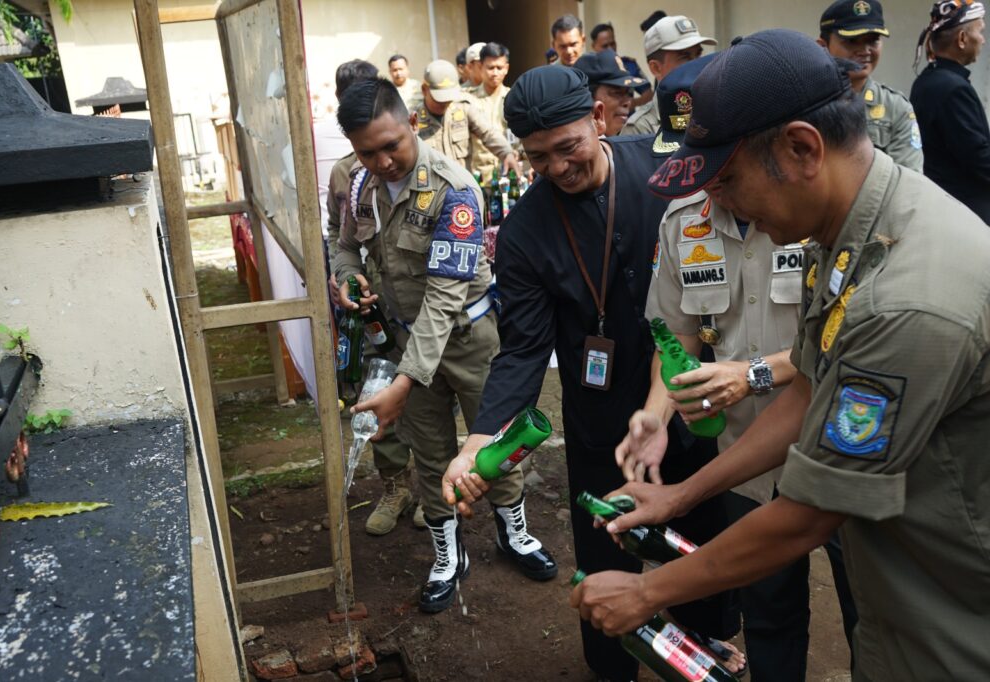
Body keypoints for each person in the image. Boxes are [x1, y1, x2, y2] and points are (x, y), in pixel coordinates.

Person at [572, 29, 990, 681]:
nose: (720, 204)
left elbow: (806, 515)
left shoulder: (903, 297)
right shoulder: (852, 230)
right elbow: (809, 391)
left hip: (948, 615)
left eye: (728, 181)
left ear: (801, 148)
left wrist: (648, 592)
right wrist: (681, 495)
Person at [441, 66, 740, 682]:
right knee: (606, 542)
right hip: (599, 411)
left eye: (568, 147)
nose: (556, 168)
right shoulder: (524, 232)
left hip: (687, 390)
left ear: (599, 119)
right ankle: (611, 664)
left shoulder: (664, 171)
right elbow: (523, 350)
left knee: (701, 526)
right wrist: (478, 441)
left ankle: (706, 638)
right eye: (538, 157)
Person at [637, 52, 859, 682]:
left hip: (831, 443)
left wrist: (752, 373)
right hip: (743, 456)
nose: (707, 186)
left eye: (720, 171)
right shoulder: (684, 220)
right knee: (768, 610)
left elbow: (843, 345)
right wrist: (655, 416)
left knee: (864, 606)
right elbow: (675, 334)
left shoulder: (821, 214)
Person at [333, 78, 556, 613]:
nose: (383, 161)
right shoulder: (360, 187)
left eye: (392, 145)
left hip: (468, 340)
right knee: (430, 453)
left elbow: (443, 298)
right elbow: (343, 247)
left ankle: (513, 533)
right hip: (405, 341)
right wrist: (346, 278)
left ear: (412, 123)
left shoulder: (453, 189)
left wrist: (404, 381)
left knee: (495, 445)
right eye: (367, 152)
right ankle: (448, 554)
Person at [323, 61, 425, 535]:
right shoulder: (347, 174)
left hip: (423, 311)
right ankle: (395, 486)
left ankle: (434, 489)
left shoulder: (416, 160)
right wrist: (345, 276)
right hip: (375, 313)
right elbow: (338, 235)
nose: (380, 159)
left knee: (430, 402)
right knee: (376, 394)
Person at [817, 0, 923, 171]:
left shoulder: (895, 108)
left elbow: (909, 178)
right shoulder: (805, 101)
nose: (865, 51)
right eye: (852, 41)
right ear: (823, 47)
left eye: (873, 41)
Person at [911, 0, 990, 223]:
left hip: (942, 206)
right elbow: (978, 159)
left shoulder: (927, 80)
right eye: (980, 32)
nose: (983, 40)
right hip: (967, 213)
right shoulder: (953, 88)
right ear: (962, 39)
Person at [414, 59, 521, 179]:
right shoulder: (413, 120)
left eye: (449, 98)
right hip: (433, 187)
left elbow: (488, 133)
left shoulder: (463, 107)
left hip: (462, 184)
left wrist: (507, 153)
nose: (445, 104)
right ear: (424, 90)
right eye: (439, 100)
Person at [621, 15, 716, 137]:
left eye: (698, 55)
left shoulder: (715, 111)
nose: (697, 64)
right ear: (656, 68)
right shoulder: (640, 128)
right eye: (685, 57)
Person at [470, 42, 517, 182]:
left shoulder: (515, 98)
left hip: (510, 176)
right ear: (480, 67)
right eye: (490, 68)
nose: (495, 73)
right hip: (479, 177)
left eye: (499, 68)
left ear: (506, 68)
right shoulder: (468, 100)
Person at [573, 49, 647, 136]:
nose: (627, 102)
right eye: (617, 93)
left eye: (629, 93)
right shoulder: (572, 142)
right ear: (588, 98)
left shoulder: (628, 138)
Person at [589, 22, 652, 107]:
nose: (610, 49)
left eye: (612, 44)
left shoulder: (629, 65)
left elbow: (649, 94)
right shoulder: (588, 70)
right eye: (605, 46)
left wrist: (633, 103)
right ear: (594, 46)